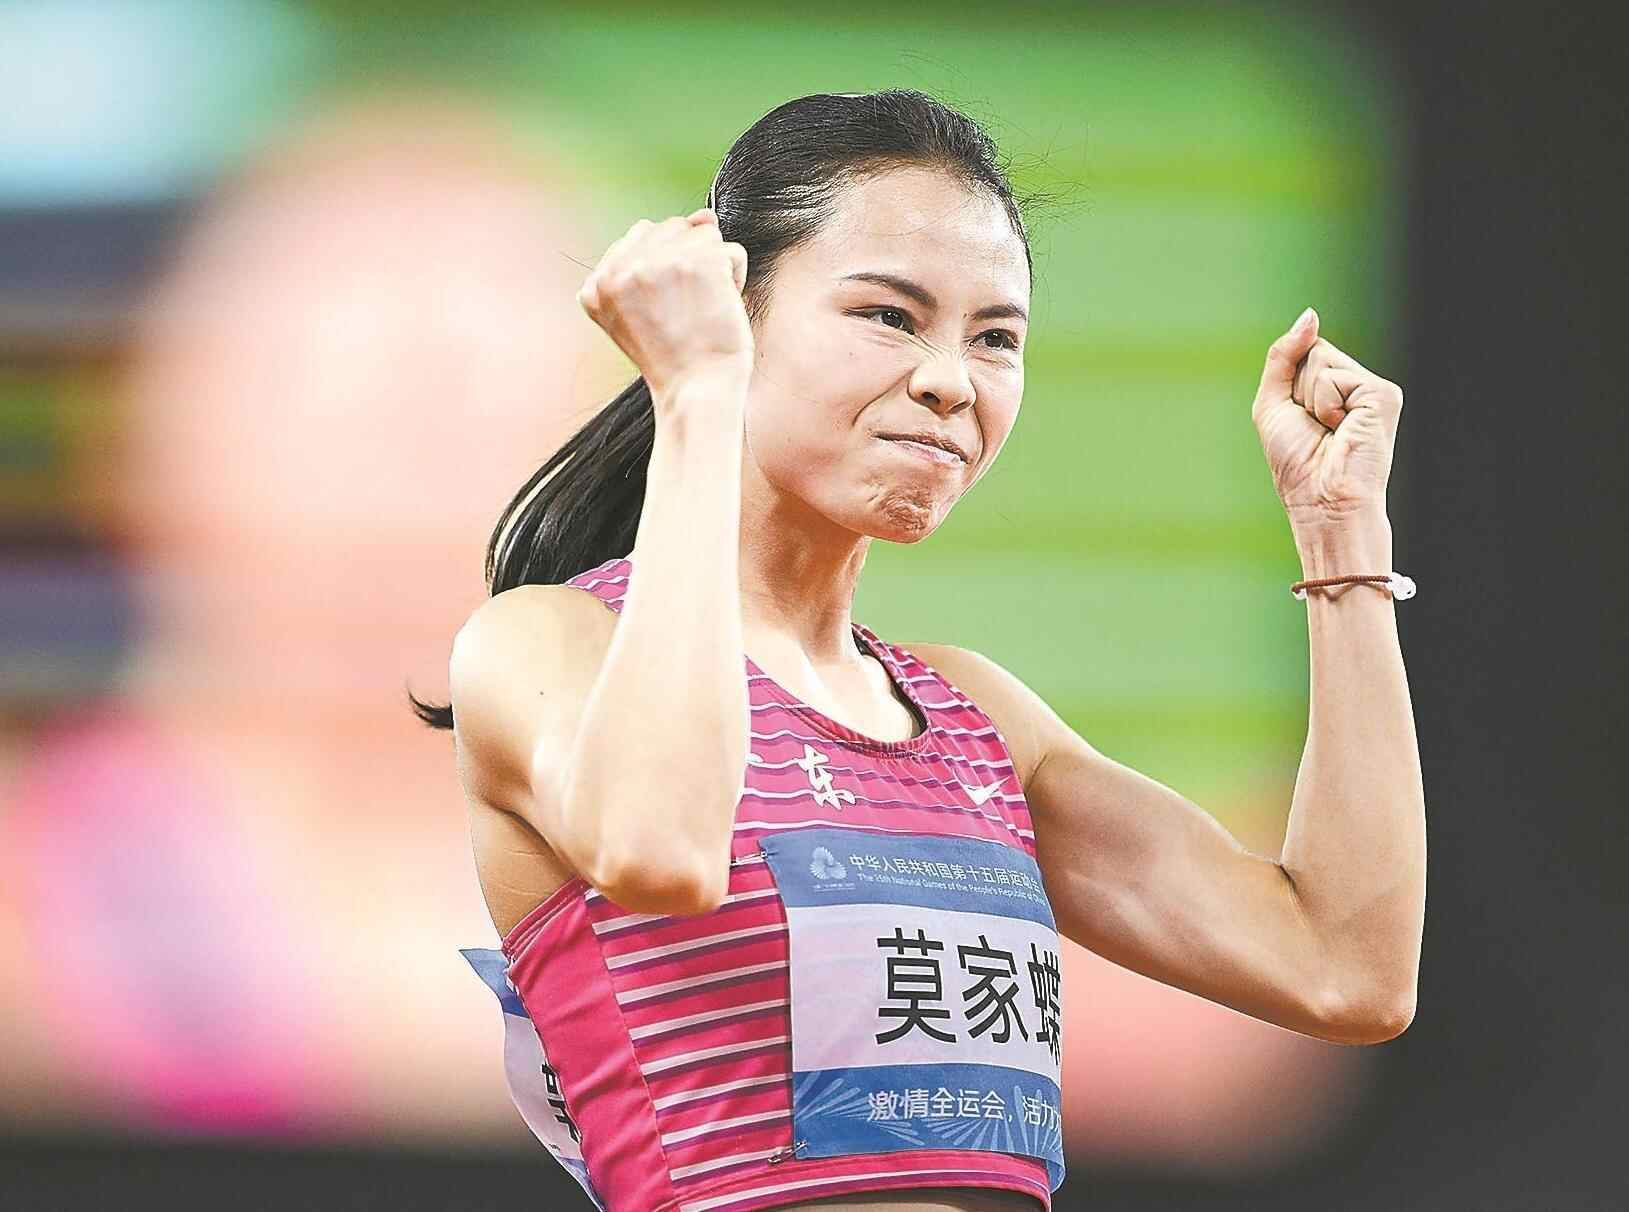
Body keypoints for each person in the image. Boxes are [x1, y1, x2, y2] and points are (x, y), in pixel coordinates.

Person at [416, 89, 1425, 1212]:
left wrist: (1342, 535)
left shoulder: (978, 721)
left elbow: (1344, 970)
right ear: (735, 312)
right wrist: (693, 392)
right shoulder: (547, 644)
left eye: (996, 338)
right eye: (891, 316)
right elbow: (662, 851)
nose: (953, 379)